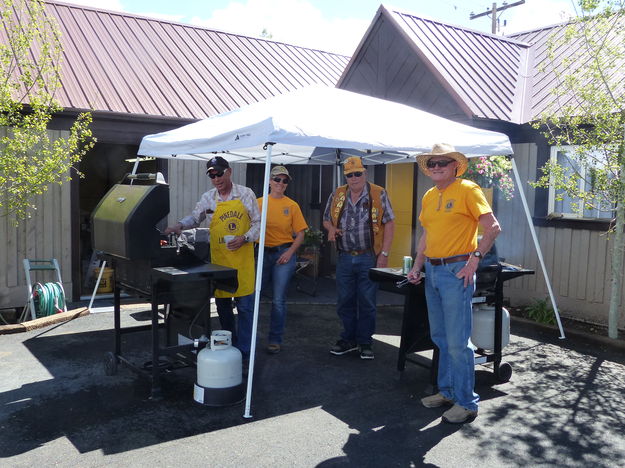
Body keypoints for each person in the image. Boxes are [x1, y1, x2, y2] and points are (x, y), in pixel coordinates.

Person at [407, 143, 501, 424]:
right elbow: (427, 234)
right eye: (433, 163)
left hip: (456, 270)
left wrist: (473, 261)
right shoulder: (428, 195)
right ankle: (447, 392)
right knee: (441, 338)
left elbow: (492, 227)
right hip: (433, 272)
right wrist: (417, 265)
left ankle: (467, 403)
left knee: (459, 343)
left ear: (455, 166)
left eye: (443, 163)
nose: (437, 167)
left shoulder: (468, 189)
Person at [165, 156, 260, 358]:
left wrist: (245, 237)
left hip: (242, 261)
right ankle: (232, 348)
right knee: (223, 307)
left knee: (245, 308)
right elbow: (195, 217)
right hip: (219, 262)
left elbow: (259, 224)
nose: (216, 179)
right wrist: (179, 225)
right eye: (212, 175)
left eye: (219, 173)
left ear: (229, 172)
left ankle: (245, 352)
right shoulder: (208, 197)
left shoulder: (246, 194)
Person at [322, 156, 395, 360]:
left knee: (367, 301)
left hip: (369, 257)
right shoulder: (338, 194)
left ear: (365, 173)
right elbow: (326, 219)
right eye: (350, 175)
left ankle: (365, 342)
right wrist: (331, 228)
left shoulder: (378, 193)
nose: (354, 178)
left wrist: (385, 254)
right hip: (345, 257)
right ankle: (348, 339)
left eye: (357, 174)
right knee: (344, 301)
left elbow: (389, 223)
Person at [257, 166, 308, 355]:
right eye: (277, 179)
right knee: (252, 297)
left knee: (278, 300)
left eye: (284, 181)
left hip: (283, 254)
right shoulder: (259, 202)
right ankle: (249, 337)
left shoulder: (292, 205)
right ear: (269, 181)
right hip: (261, 253)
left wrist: (289, 253)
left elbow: (301, 234)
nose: (280, 183)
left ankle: (275, 339)